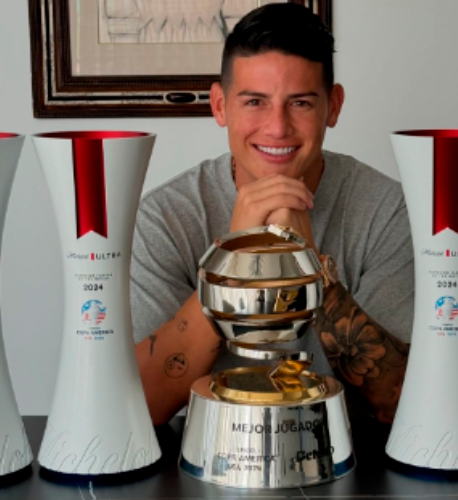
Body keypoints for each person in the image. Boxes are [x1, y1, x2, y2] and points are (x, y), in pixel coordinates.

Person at [130, 3, 414, 426]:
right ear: (220, 105)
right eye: (255, 102)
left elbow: (407, 403)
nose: (277, 127)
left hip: (350, 455)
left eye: (300, 102)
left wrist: (310, 267)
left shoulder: (385, 209)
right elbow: (139, 406)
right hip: (206, 453)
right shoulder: (165, 217)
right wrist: (232, 261)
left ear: (333, 106)